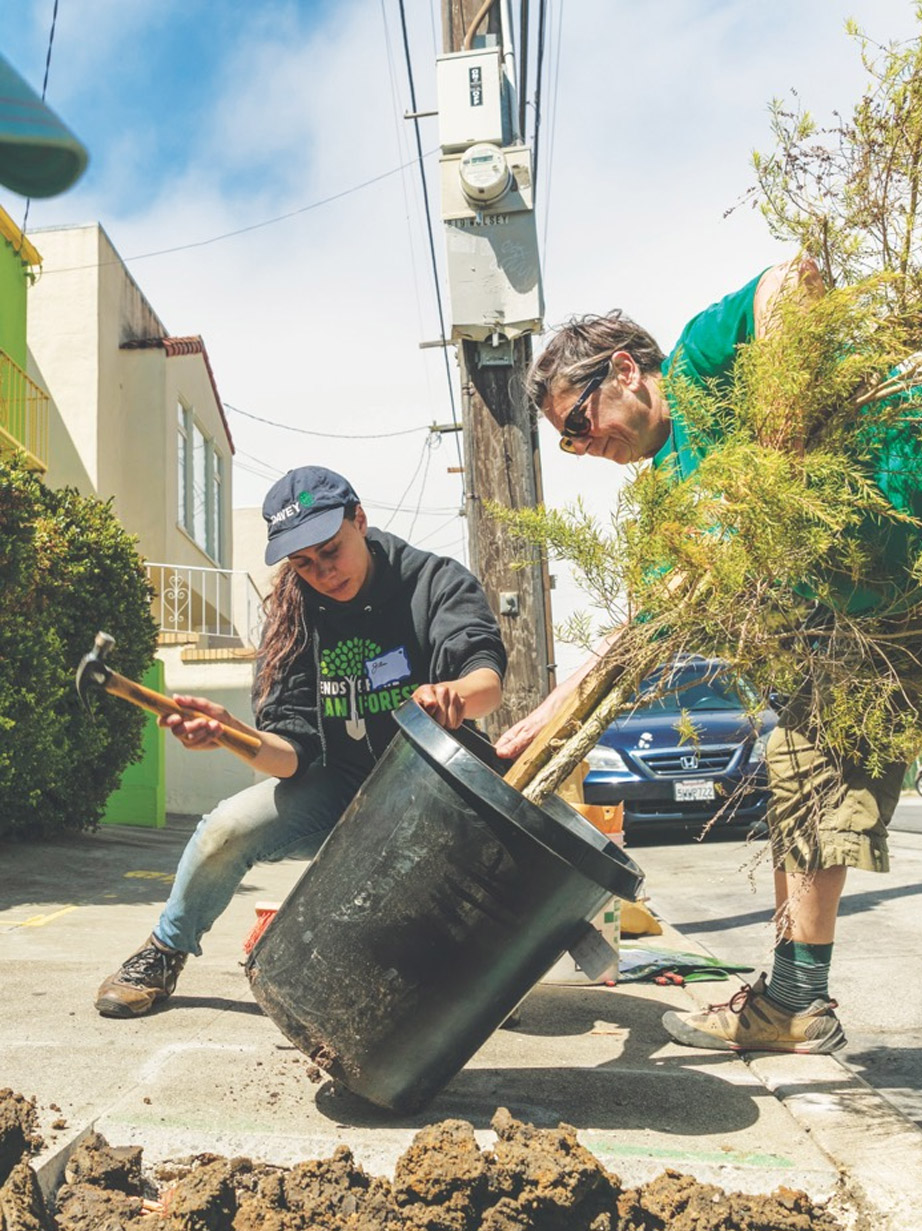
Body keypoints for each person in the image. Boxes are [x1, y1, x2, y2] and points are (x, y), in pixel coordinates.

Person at [495, 258, 917, 1055]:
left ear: (624, 370)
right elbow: (639, 641)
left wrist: (778, 467)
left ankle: (792, 1003)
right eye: (567, 443)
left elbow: (797, 278)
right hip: (876, 640)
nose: (581, 448)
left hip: (903, 548)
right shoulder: (665, 506)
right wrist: (548, 715)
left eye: (578, 425)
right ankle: (792, 1000)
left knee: (803, 763)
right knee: (801, 765)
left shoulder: (699, 363)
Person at [95, 465, 506, 1017]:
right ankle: (165, 949)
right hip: (337, 782)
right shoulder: (292, 617)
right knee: (225, 829)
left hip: (431, 782)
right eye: (302, 563)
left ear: (359, 519)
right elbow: (291, 756)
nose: (322, 572)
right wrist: (232, 735)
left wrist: (454, 693)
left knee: (444, 962)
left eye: (331, 550)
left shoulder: (433, 581)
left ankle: (482, 966)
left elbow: (487, 681)